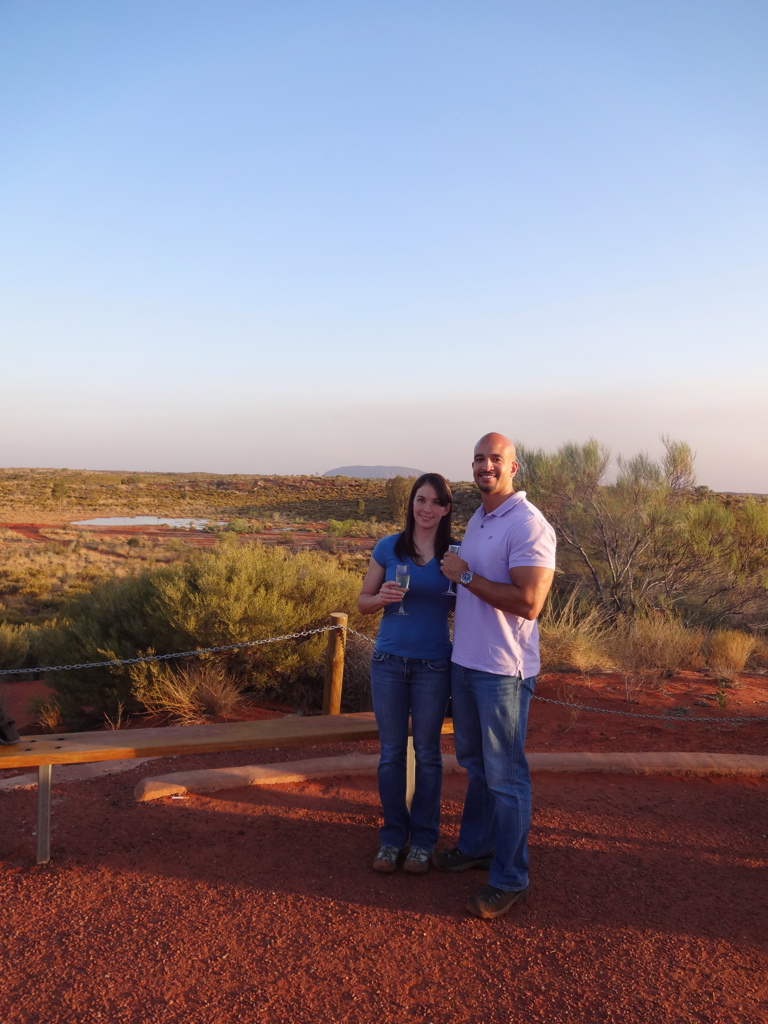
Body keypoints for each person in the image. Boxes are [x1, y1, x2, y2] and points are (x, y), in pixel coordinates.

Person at [435, 432, 556, 920]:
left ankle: (511, 877)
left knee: (506, 775)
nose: (487, 466)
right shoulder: (483, 517)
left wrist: (463, 576)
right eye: (480, 459)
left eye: (496, 459)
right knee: (478, 766)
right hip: (466, 663)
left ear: (514, 467)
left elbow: (530, 603)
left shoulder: (529, 524)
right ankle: (477, 846)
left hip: (503, 670)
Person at [357, 473, 454, 875]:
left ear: (446, 509)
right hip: (389, 663)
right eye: (420, 499)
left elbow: (472, 605)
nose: (426, 508)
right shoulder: (388, 548)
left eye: (435, 502)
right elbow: (362, 602)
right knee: (391, 754)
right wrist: (380, 598)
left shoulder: (455, 556)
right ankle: (393, 836)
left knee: (429, 755)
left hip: (434, 665)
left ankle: (424, 839)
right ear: (411, 503)